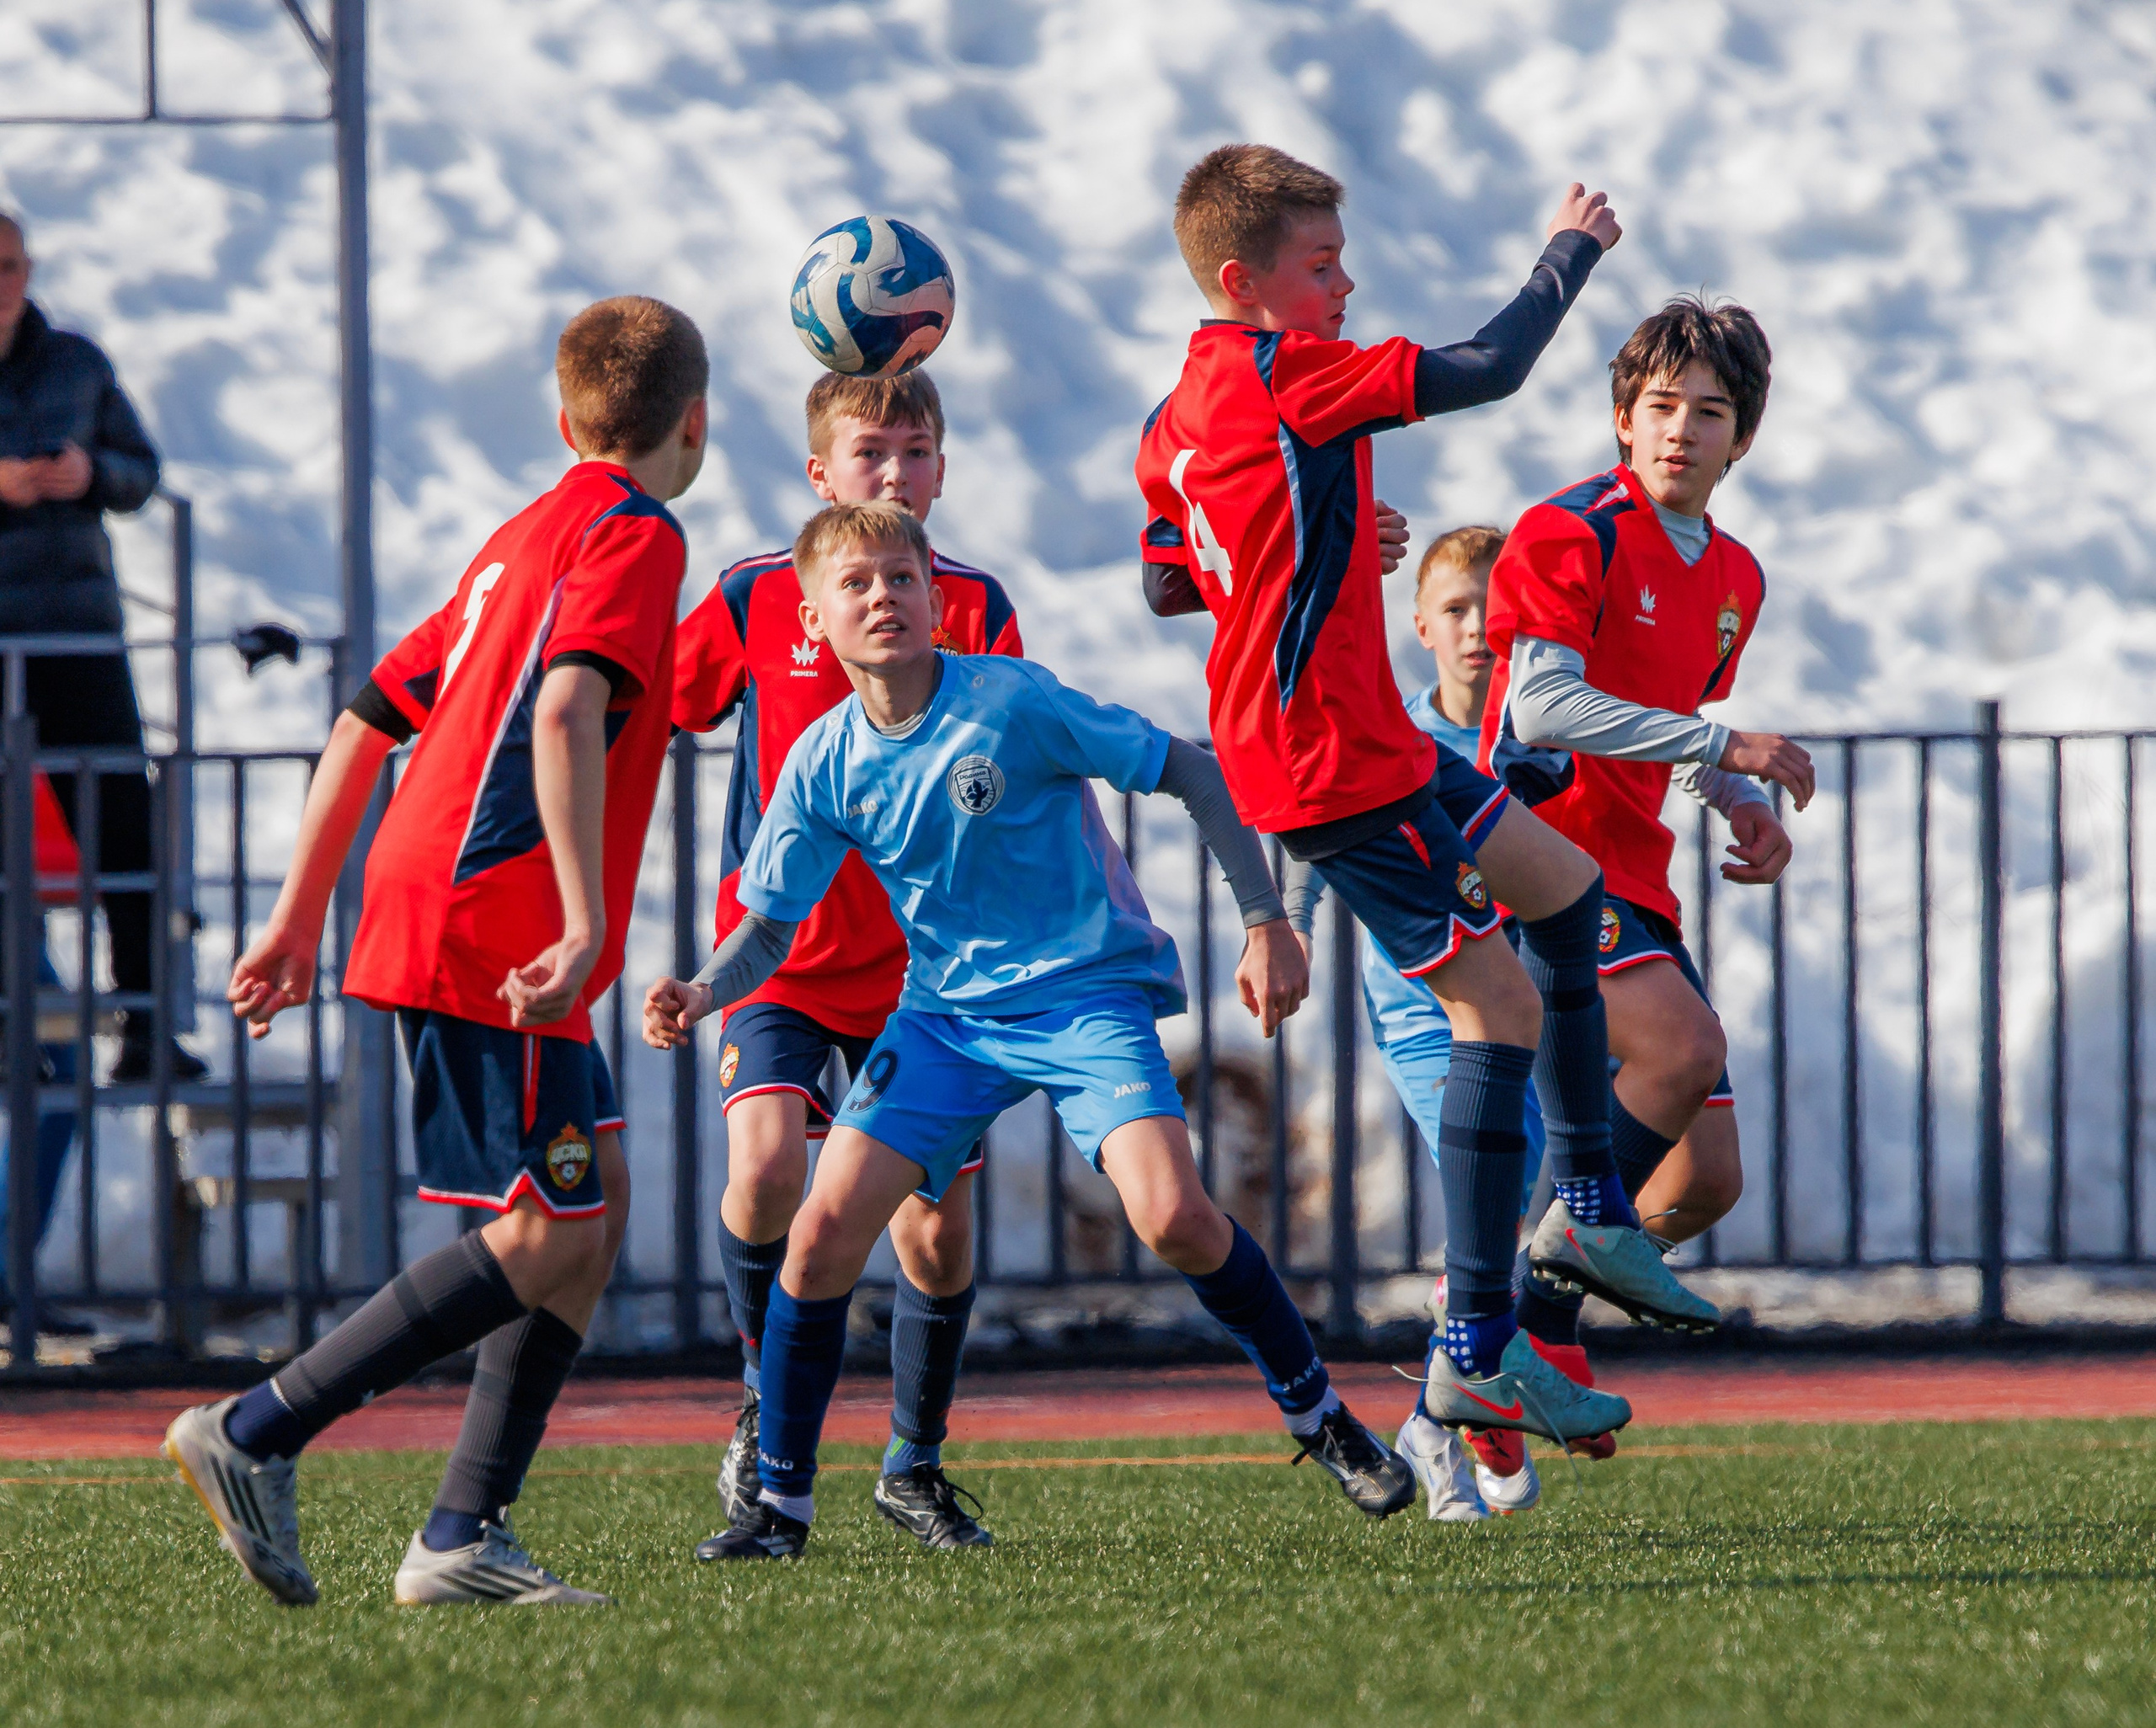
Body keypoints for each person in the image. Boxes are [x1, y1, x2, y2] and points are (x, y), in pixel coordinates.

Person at [643, 501, 1414, 1560]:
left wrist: (1265, 918)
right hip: (946, 1020)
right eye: (856, 586)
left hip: (1083, 997)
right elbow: (771, 923)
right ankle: (780, 1507)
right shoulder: (822, 758)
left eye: (901, 579)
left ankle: (1319, 1416)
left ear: (933, 594)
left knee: (1174, 1217)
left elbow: (1187, 771)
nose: (884, 598)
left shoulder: (1009, 700)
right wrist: (698, 987)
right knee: (820, 1236)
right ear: (812, 621)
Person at [1134, 144, 1710, 1456]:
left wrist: (1322, 539)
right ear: (1246, 282)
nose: (1345, 285)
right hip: (1327, 761)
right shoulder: (1293, 377)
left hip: (1370, 735)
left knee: (1563, 894)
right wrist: (1572, 251)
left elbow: (1174, 581)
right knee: (1494, 1004)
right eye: (1320, 266)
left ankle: (1592, 1212)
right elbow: (1491, 368)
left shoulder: (1175, 415)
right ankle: (1474, 1356)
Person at [161, 295, 707, 1608]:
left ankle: (462, 1535)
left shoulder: (519, 539)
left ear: (563, 416)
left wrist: (299, 919)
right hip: (498, 928)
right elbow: (568, 708)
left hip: (449, 903)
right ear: (695, 423)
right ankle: (256, 1430)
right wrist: (583, 921)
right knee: (542, 1229)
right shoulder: (636, 536)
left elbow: (363, 722)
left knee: (597, 1204)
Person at [670, 370, 1023, 1554]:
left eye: (917, 452)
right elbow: (650, 703)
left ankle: (913, 1467)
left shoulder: (967, 601)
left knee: (934, 1232)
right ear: (819, 473)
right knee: (768, 1169)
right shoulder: (755, 597)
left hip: (925, 980)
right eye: (870, 452)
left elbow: (1014, 761)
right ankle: (767, 1402)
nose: (895, 474)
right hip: (779, 961)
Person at [1481, 293, 1811, 1389]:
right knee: (1683, 1051)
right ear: (1623, 416)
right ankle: (1510, 1327)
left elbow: (1652, 719)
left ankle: (1520, 1328)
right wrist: (1728, 742)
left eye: (1709, 412)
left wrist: (1731, 795)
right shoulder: (1569, 529)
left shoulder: (1734, 576)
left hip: (1630, 871)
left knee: (1707, 1179)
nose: (1681, 430)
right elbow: (1541, 708)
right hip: (1533, 857)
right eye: (1661, 405)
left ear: (1743, 437)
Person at [1280, 527, 1552, 1520]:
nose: (1479, 629)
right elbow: (1309, 839)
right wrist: (1287, 926)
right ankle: (1445, 1423)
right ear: (1420, 625)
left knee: (1530, 1207)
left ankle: (1459, 1393)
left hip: (1536, 1006)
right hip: (1426, 1009)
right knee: (1502, 1166)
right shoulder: (1387, 734)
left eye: (1497, 608)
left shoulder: (1542, 727)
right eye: (1457, 610)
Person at [0, 211, 200, 1082]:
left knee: (123, 825)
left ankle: (147, 1025)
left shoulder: (77, 362)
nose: (2, 282)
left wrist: (91, 477)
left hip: (78, 632)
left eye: (10, 264)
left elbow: (142, 469)